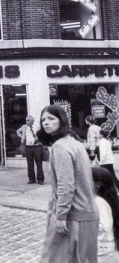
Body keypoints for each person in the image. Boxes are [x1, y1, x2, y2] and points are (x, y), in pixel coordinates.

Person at [37, 105, 99, 262]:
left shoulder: (60, 147)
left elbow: (66, 185)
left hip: (73, 216)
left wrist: (61, 215)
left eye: (51, 118)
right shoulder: (75, 143)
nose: (46, 123)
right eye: (43, 119)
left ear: (62, 121)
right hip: (88, 213)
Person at [92, 166, 119, 261]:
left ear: (98, 184)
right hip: (108, 249)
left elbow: (105, 226)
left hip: (103, 251)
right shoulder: (110, 198)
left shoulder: (99, 201)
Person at [16, 115, 45, 185]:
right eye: (26, 120)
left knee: (39, 164)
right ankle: (32, 179)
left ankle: (40, 179)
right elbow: (17, 131)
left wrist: (38, 139)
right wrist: (22, 137)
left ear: (32, 121)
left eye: (28, 120)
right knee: (30, 164)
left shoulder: (37, 128)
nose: (26, 122)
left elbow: (42, 134)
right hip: (28, 147)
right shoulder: (24, 127)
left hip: (37, 147)